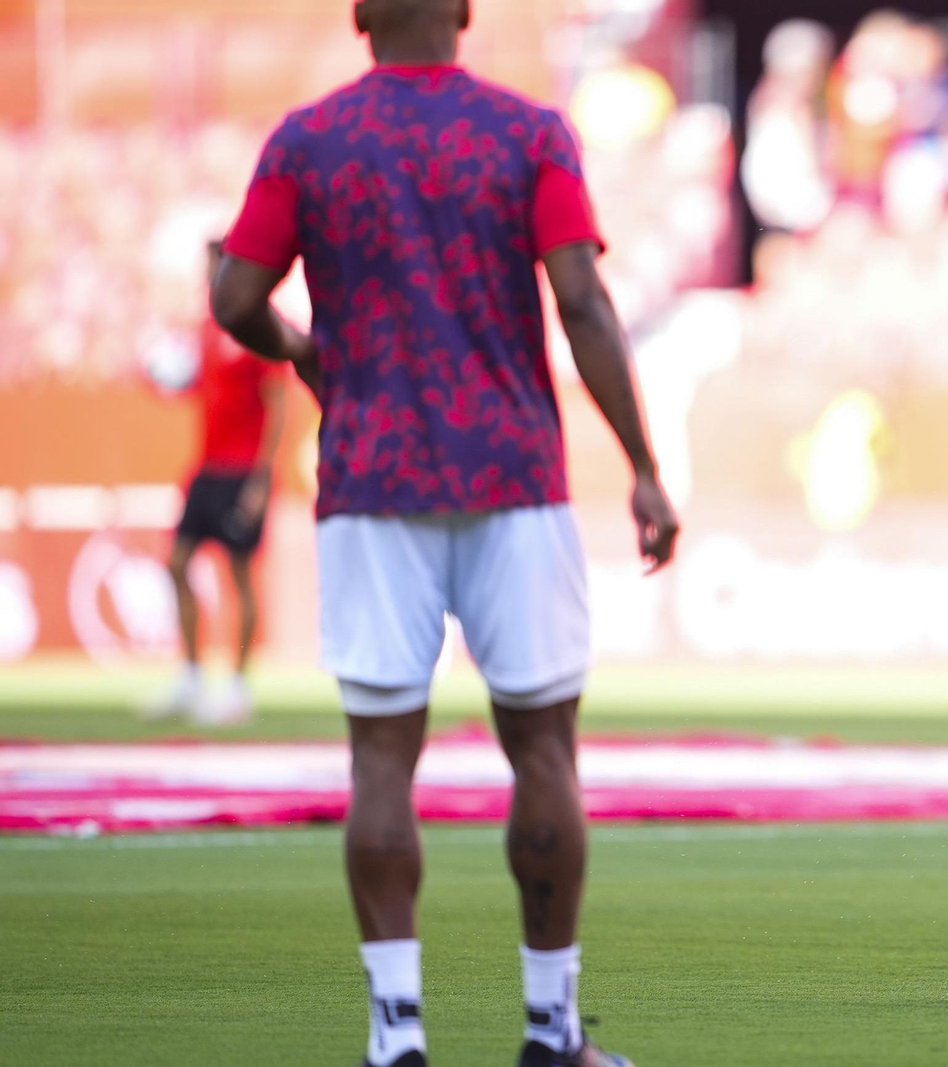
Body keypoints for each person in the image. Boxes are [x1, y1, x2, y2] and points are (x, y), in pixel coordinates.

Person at [209, 2, 678, 1064]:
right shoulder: (527, 133)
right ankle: (550, 1030)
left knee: (381, 756)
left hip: (372, 474)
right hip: (512, 472)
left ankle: (396, 1032)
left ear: (360, 15)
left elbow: (235, 297)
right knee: (543, 748)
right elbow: (582, 302)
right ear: (463, 12)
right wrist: (644, 468)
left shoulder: (308, 139)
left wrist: (305, 349)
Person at [144, 239, 287, 726]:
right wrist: (169, 382)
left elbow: (277, 404)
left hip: (243, 471)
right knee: (176, 563)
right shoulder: (207, 328)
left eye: (213, 269)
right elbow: (206, 389)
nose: (207, 279)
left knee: (239, 576)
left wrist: (261, 479)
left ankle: (238, 686)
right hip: (207, 468)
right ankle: (190, 675)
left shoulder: (257, 326)